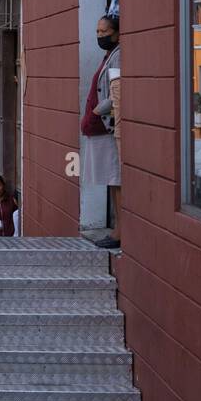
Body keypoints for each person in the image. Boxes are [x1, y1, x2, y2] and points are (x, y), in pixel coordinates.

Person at [83, 14, 122, 249]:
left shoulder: (118, 56)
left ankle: (119, 231)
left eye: (104, 32)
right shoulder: (109, 55)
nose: (100, 36)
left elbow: (116, 92)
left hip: (109, 126)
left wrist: (96, 112)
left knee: (116, 179)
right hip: (103, 126)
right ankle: (118, 229)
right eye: (97, 32)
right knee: (111, 179)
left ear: (117, 32)